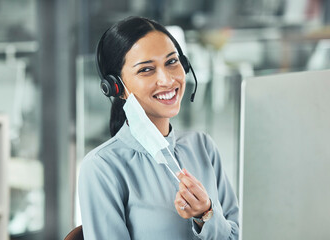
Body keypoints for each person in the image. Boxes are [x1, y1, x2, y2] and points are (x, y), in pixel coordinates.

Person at [78, 16, 239, 240]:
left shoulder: (202, 146)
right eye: (146, 70)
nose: (166, 80)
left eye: (172, 62)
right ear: (116, 86)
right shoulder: (102, 167)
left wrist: (206, 215)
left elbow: (238, 235)